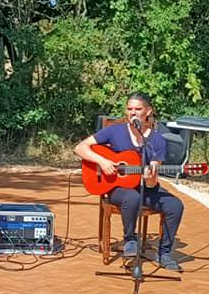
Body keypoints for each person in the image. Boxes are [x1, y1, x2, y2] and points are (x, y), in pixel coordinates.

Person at [74, 93, 184, 271]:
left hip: (146, 188)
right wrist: (102, 161)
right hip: (117, 187)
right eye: (129, 109)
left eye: (138, 109)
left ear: (148, 111)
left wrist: (150, 179)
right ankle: (130, 240)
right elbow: (80, 148)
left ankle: (164, 253)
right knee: (131, 197)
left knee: (175, 206)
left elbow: (152, 178)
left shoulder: (157, 140)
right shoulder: (114, 131)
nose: (133, 113)